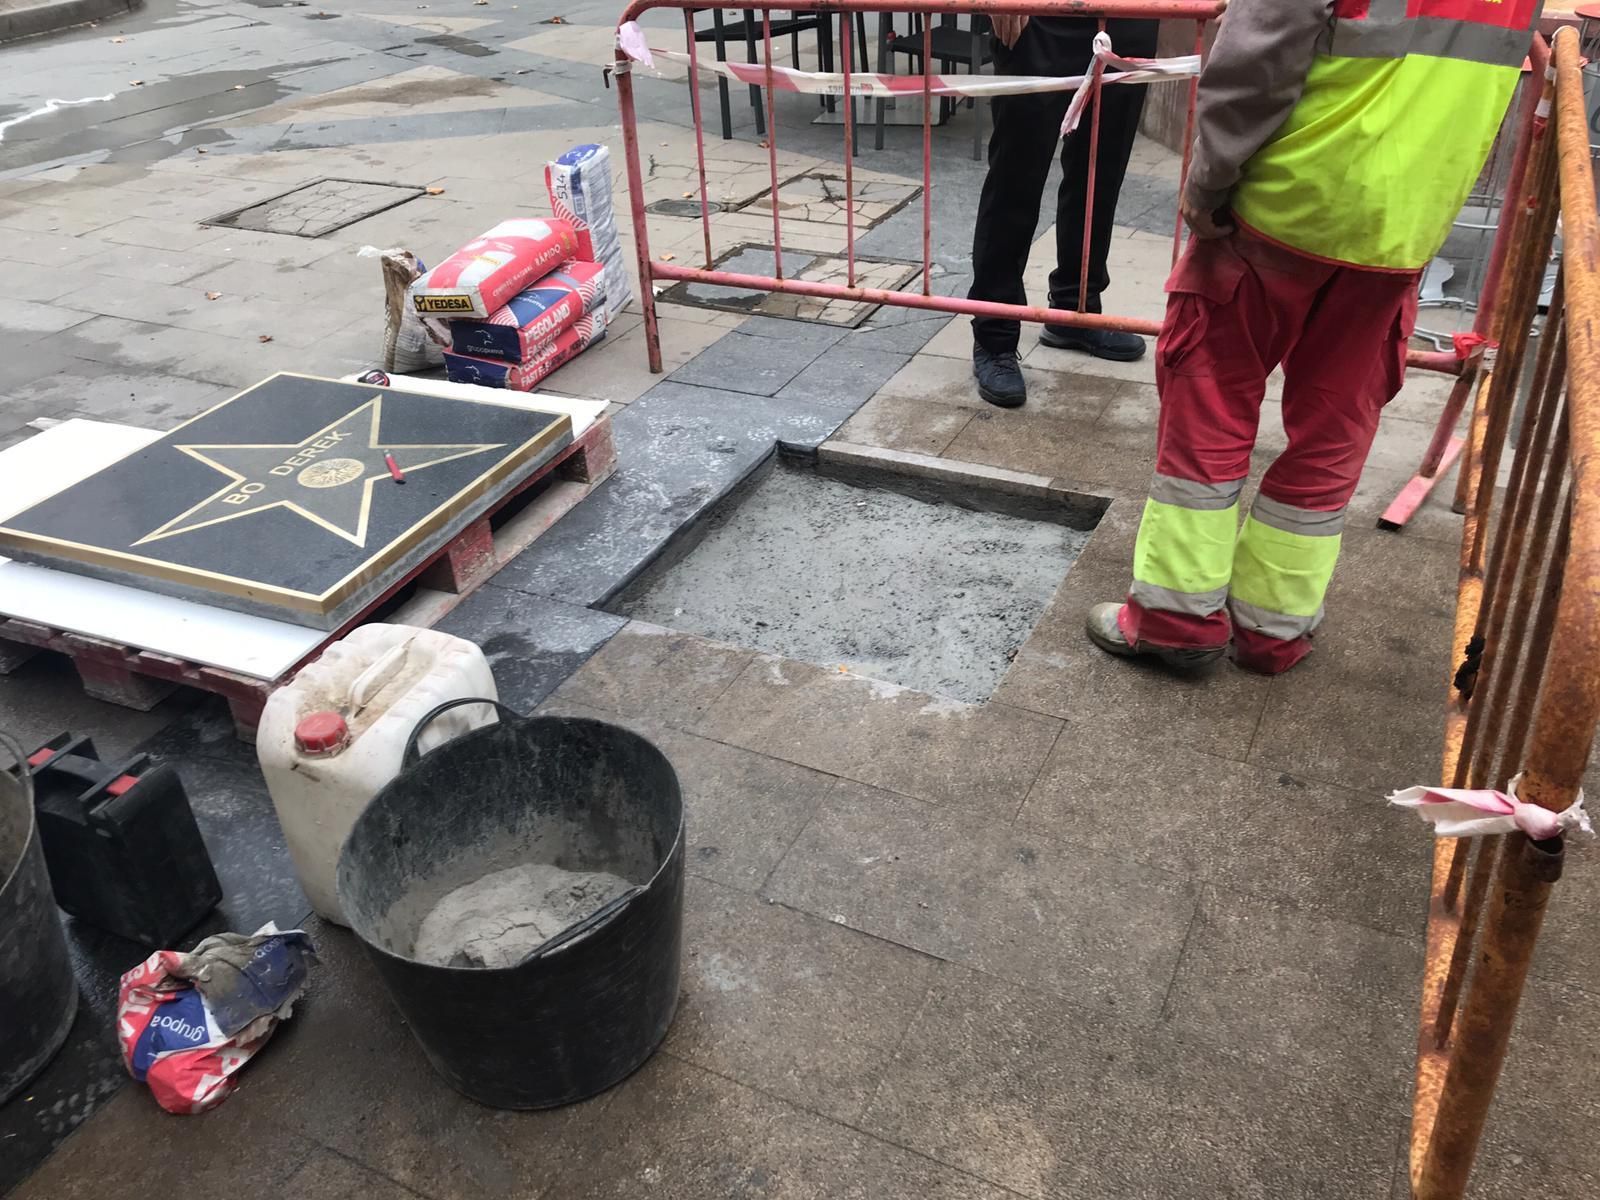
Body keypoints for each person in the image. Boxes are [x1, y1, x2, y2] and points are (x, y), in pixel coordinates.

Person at [1084, 0, 1541, 675]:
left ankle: (1175, 621)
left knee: (1210, 401)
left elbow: (1254, 62)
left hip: (1284, 202)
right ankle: (1273, 629)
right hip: (1402, 227)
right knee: (1334, 429)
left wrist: (1208, 183)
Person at [970, 14, 1159, 408]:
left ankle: (1076, 308)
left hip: (1129, 17)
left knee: (1101, 171)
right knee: (1015, 173)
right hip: (1040, 19)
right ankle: (994, 335)